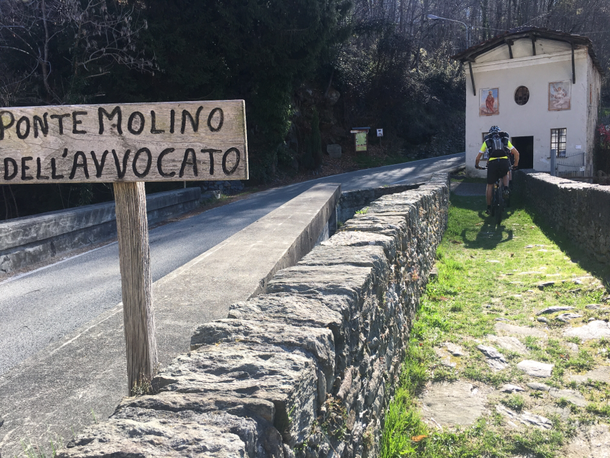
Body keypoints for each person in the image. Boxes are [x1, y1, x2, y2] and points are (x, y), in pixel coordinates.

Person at [475, 126, 520, 215]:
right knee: (505, 174)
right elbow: (516, 153)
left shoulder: (487, 141)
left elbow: (478, 157)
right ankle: (506, 189)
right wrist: (515, 165)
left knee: (490, 185)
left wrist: (477, 165)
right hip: (504, 161)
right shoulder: (504, 140)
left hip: (492, 163)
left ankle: (488, 208)